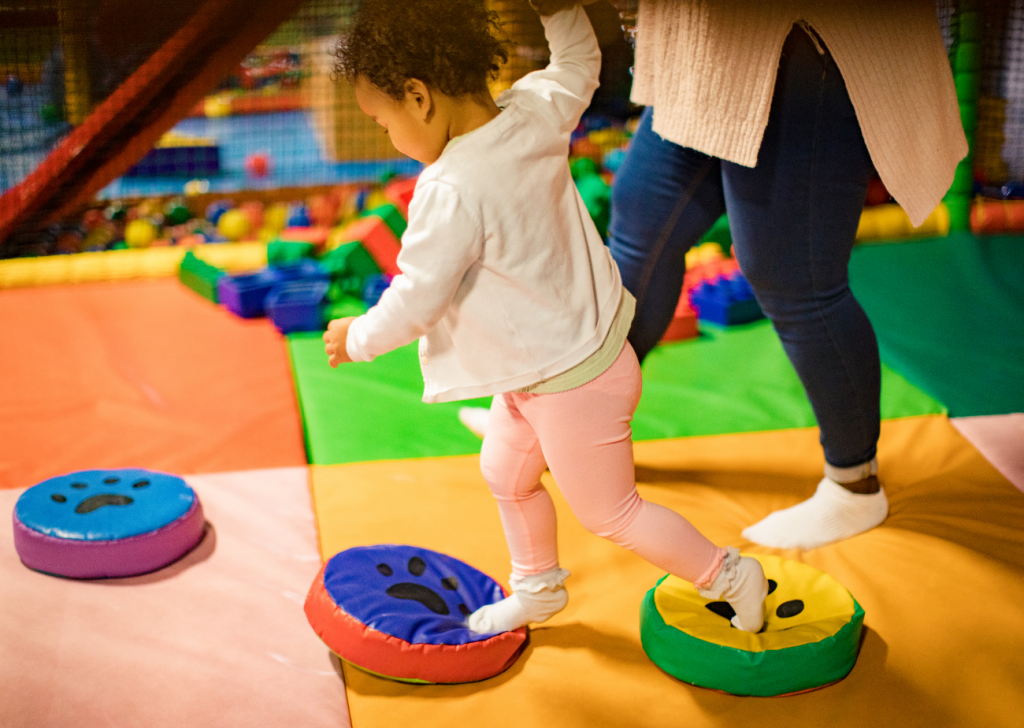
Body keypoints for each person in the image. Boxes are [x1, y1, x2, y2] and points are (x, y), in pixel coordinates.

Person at [323, 0, 768, 634]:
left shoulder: (449, 190)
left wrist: (357, 336)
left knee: (611, 513)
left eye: (382, 121)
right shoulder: (533, 110)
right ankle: (538, 588)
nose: (386, 138)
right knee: (504, 472)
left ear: (418, 97)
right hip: (555, 364)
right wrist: (558, 9)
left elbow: (416, 298)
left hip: (572, 382)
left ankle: (726, 573)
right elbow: (580, 61)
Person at [607, 1, 967, 550]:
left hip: (805, 36)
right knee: (642, 219)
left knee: (794, 275)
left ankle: (856, 483)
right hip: (710, 41)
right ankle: (584, 422)